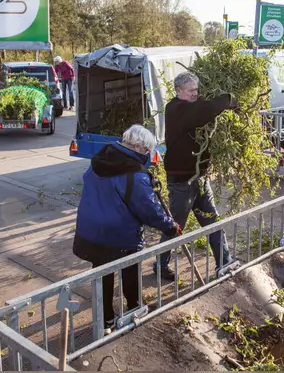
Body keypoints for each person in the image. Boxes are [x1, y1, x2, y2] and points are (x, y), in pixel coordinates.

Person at [72, 124, 182, 333]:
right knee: (130, 271)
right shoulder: (135, 175)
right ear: (139, 147)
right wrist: (170, 226)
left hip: (92, 230)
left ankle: (105, 320)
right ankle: (134, 308)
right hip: (119, 236)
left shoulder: (99, 161)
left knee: (102, 273)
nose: (148, 155)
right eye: (148, 150)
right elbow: (149, 210)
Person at [154, 71, 239, 281]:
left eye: (197, 89)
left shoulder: (191, 105)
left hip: (199, 178)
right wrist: (227, 100)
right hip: (182, 181)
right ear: (179, 91)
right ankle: (160, 264)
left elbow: (204, 107)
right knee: (174, 227)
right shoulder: (175, 109)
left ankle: (225, 263)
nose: (196, 93)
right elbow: (205, 110)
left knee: (212, 222)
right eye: (191, 90)